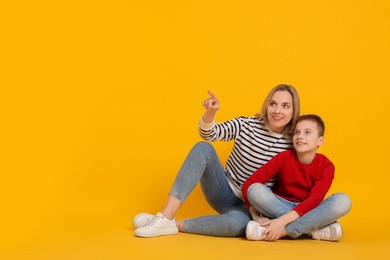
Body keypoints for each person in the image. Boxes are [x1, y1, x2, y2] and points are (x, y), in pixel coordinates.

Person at [133, 84, 301, 238]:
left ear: (294, 111)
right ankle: (166, 215)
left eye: (285, 106)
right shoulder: (246, 124)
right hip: (223, 189)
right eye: (273, 104)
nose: (277, 110)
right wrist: (210, 113)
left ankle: (171, 225)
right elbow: (209, 134)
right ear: (266, 105)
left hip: (249, 207)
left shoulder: (293, 143)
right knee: (203, 148)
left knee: (237, 225)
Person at [242, 114, 352, 242]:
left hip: (309, 207)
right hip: (279, 206)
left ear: (320, 141)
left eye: (307, 132)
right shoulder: (283, 157)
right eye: (297, 132)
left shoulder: (326, 166)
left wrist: (281, 223)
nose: (300, 136)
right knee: (255, 190)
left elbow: (313, 200)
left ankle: (284, 232)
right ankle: (313, 228)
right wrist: (256, 217)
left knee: (343, 201)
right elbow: (248, 185)